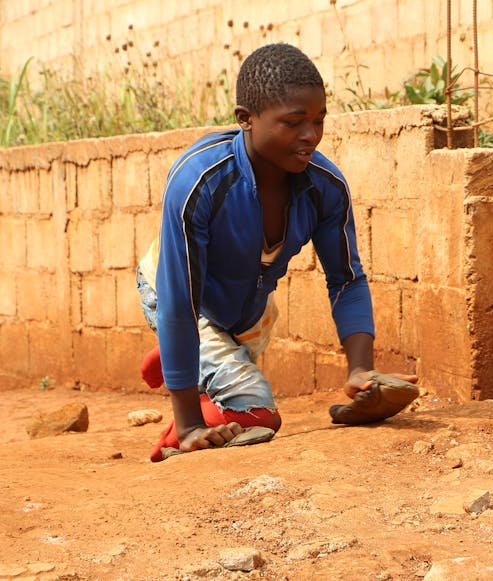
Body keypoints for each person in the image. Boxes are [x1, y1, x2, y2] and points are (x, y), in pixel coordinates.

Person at [136, 43, 418, 462]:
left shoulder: (324, 186)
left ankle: (192, 361)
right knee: (257, 412)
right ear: (246, 119)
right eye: (294, 122)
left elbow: (346, 278)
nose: (311, 135)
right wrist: (191, 424)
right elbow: (180, 302)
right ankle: (182, 408)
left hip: (249, 310)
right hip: (177, 295)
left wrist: (360, 369)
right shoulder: (199, 181)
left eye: (319, 120)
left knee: (234, 364)